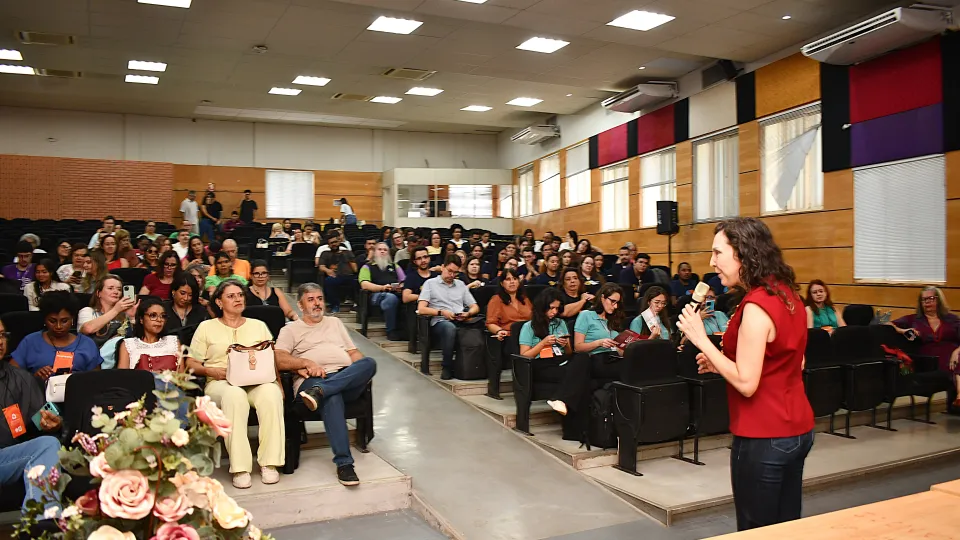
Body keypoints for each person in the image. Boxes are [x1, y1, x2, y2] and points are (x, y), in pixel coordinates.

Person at [676, 217, 814, 532]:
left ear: (743, 253)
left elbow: (748, 384)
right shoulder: (787, 294)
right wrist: (725, 362)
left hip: (764, 433)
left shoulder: (756, 306)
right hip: (797, 429)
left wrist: (700, 339)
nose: (712, 262)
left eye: (717, 253)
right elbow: (795, 362)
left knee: (756, 530)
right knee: (786, 528)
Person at [275, 283, 376, 486]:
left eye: (319, 298)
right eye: (311, 299)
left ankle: (322, 390)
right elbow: (278, 359)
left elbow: (353, 353)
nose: (317, 303)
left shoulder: (335, 323)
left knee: (369, 363)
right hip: (310, 381)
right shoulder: (291, 329)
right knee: (333, 396)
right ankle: (344, 464)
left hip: (340, 378)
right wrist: (305, 363)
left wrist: (358, 372)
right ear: (301, 305)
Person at [186, 280, 284, 488]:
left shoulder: (259, 326)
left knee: (271, 394)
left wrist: (280, 386)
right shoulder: (206, 327)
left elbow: (271, 358)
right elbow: (191, 363)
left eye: (240, 295)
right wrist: (211, 370)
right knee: (234, 396)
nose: (238, 299)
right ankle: (240, 468)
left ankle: (270, 464)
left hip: (256, 380)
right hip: (221, 383)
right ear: (219, 303)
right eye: (231, 296)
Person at [0, 317, 67, 517]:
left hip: (5, 457)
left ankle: (41, 526)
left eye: (2, 335)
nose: (0, 341)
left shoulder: (20, 378)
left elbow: (40, 418)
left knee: (47, 444)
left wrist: (54, 422)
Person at [519, 288, 589, 421]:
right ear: (543, 307)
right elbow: (524, 356)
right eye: (551, 308)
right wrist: (543, 343)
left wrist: (565, 344)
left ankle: (561, 400)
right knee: (580, 375)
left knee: (583, 357)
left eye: (557, 309)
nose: (554, 312)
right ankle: (562, 402)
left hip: (560, 359)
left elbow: (568, 352)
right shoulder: (529, 326)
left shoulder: (560, 323)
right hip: (540, 364)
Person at [890, 287, 960, 408]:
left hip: (954, 355)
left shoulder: (952, 319)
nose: (927, 302)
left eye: (930, 298)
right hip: (930, 360)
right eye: (924, 300)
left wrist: (957, 351)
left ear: (939, 301)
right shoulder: (914, 320)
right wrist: (902, 330)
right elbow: (885, 322)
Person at [11, 291, 102, 378]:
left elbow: (95, 381)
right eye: (52, 321)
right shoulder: (30, 342)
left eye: (64, 321)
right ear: (44, 319)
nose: (58, 326)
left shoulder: (87, 344)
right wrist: (33, 378)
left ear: (72, 319)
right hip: (37, 392)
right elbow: (12, 376)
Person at [417, 255, 480, 380]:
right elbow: (421, 309)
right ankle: (447, 366)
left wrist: (468, 313)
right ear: (442, 267)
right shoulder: (430, 283)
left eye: (455, 273)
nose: (452, 275)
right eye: (449, 271)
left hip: (460, 318)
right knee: (449, 328)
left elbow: (475, 307)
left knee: (481, 325)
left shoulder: (461, 284)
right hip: (440, 321)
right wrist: (441, 312)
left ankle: (476, 366)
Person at [79, 274, 136, 369]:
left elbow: (136, 340)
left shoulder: (125, 314)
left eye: (119, 289)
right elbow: (88, 329)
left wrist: (132, 318)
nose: (116, 292)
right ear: (98, 293)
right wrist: (116, 310)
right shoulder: (88, 311)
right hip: (94, 361)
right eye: (110, 288)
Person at [573, 283, 627, 382]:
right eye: (613, 301)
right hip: (596, 359)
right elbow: (578, 347)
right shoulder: (586, 315)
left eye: (617, 303)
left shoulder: (614, 318)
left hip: (614, 357)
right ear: (602, 298)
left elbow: (619, 349)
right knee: (627, 370)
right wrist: (599, 343)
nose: (615, 306)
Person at [118, 298, 182, 372]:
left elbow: (182, 379)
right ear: (141, 319)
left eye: (163, 316)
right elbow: (122, 378)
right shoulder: (128, 345)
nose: (159, 320)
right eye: (153, 315)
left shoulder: (174, 342)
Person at [358, 243, 406, 341]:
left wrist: (400, 286)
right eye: (380, 249)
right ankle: (391, 331)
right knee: (390, 299)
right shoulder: (367, 267)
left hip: (395, 292)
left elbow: (404, 281)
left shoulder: (394, 266)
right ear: (375, 252)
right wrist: (382, 288)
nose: (383, 251)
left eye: (385, 250)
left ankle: (406, 332)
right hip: (375, 295)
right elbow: (364, 284)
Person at [486, 269, 532, 342]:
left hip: (529, 335)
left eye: (515, 279)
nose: (512, 282)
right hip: (509, 337)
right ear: (502, 283)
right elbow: (490, 324)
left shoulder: (525, 299)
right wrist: (499, 331)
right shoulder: (496, 300)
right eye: (508, 279)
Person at [317, 232, 357, 313]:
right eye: (331, 243)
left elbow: (355, 269)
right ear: (329, 245)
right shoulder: (325, 253)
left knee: (358, 282)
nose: (334, 244)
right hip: (335, 275)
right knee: (329, 281)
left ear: (339, 242)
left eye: (335, 242)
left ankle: (356, 305)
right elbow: (321, 266)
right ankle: (335, 304)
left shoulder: (347, 252)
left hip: (349, 275)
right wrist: (328, 271)